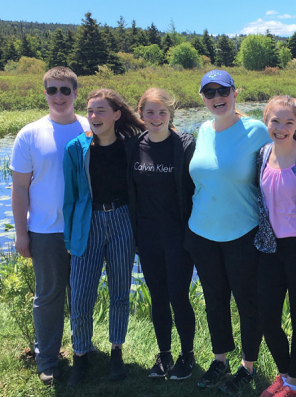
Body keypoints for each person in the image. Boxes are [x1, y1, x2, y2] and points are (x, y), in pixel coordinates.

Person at [184, 70, 271, 395]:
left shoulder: (256, 131)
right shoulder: (203, 130)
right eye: (209, 93)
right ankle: (219, 359)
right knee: (214, 300)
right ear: (203, 98)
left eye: (223, 91)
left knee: (248, 302)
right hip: (203, 232)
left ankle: (247, 366)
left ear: (235, 93)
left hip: (242, 233)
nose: (217, 98)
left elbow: (282, 169)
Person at [10, 66, 90, 384]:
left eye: (65, 90)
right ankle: (47, 358)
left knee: (82, 294)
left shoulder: (89, 127)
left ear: (75, 93)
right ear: (44, 93)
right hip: (45, 231)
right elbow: (19, 188)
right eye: (52, 90)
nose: (59, 96)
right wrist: (21, 233)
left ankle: (83, 348)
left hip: (84, 229)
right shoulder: (30, 135)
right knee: (48, 296)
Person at [63, 88, 145, 386]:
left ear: (116, 115)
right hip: (89, 223)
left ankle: (116, 351)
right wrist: (70, 239)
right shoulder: (77, 148)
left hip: (122, 219)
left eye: (100, 111)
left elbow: (162, 132)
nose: (94, 117)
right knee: (81, 295)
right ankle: (81, 356)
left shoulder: (132, 145)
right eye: (90, 111)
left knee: (120, 294)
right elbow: (70, 198)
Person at [126, 88, 196, 380]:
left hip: (178, 237)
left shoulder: (185, 146)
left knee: (179, 296)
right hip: (148, 237)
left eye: (162, 112)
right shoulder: (134, 146)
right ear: (141, 114)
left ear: (171, 115)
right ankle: (164, 355)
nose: (156, 118)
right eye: (150, 112)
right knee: (157, 297)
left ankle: (187, 356)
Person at [255, 96, 296, 397]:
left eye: (289, 122)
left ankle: (293, 383)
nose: (281, 128)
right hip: (269, 247)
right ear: (266, 120)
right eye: (275, 121)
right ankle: (283, 375)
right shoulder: (262, 153)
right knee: (267, 317)